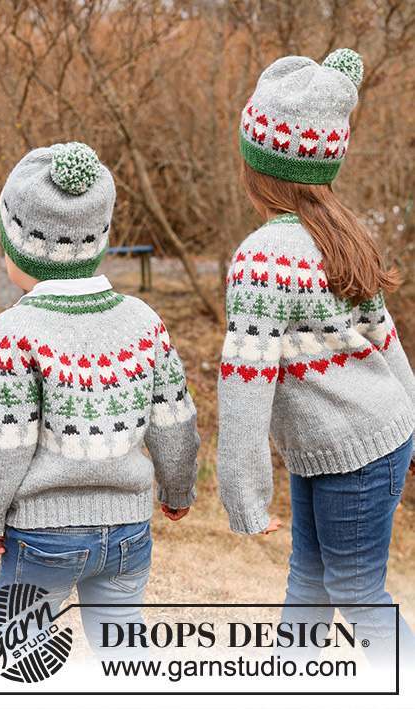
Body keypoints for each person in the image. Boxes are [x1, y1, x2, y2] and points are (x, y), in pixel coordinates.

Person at [217, 48, 414, 669]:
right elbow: (386, 339)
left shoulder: (264, 257)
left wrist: (244, 495)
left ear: (257, 166)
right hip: (357, 439)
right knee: (310, 581)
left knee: (354, 591)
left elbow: (245, 383)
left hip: (357, 451)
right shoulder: (341, 230)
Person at [0, 142, 199, 653]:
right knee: (123, 654)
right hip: (127, 532)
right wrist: (177, 488)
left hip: (42, 536)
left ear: (21, 246)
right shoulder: (143, 321)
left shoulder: (14, 330)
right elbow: (174, 420)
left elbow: (6, 442)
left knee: (21, 654)